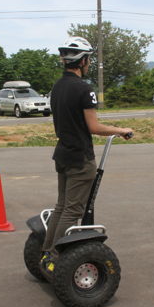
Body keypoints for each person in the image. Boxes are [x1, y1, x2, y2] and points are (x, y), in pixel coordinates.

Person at [41, 37, 133, 271]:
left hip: (62, 154)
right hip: (80, 158)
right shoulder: (83, 88)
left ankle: (46, 254)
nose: (89, 63)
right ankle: (55, 259)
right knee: (72, 212)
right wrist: (121, 130)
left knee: (62, 207)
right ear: (82, 61)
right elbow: (94, 127)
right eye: (88, 59)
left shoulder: (58, 86)